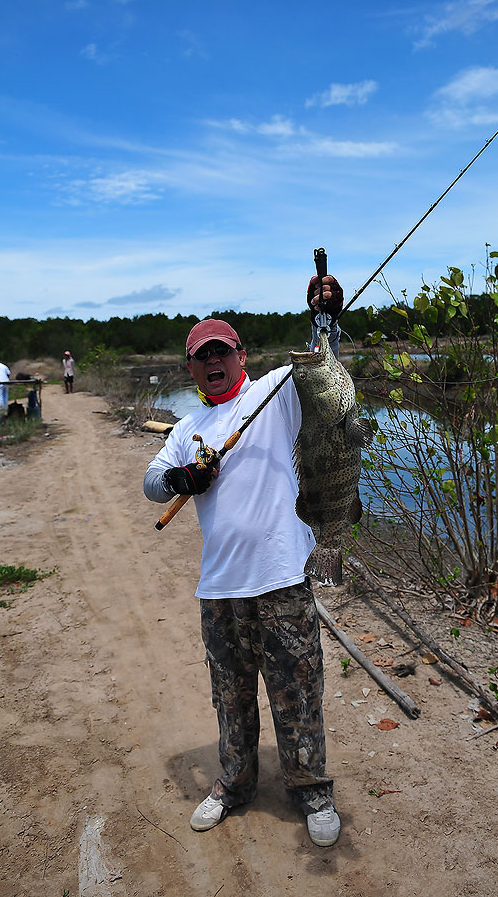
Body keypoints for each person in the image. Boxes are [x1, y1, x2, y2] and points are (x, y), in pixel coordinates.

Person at [143, 275, 345, 848]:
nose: (212, 363)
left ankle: (310, 786)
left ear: (241, 357)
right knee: (230, 693)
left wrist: (323, 313)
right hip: (220, 589)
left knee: (298, 688)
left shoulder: (276, 394)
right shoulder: (186, 430)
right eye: (201, 358)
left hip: (282, 578)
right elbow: (152, 483)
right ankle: (234, 783)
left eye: (221, 353)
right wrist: (182, 477)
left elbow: (322, 365)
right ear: (190, 370)